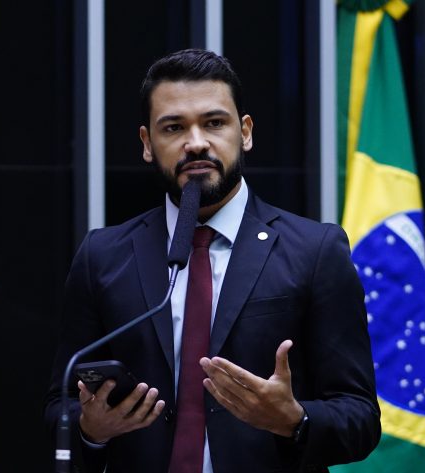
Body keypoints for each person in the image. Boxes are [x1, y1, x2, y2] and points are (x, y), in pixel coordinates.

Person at [45, 49, 380, 473]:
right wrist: (92, 428)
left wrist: (295, 420)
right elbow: (60, 405)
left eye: (214, 123)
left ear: (245, 132)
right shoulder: (103, 255)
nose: (197, 141)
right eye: (174, 127)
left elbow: (361, 419)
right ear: (148, 144)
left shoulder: (315, 251)